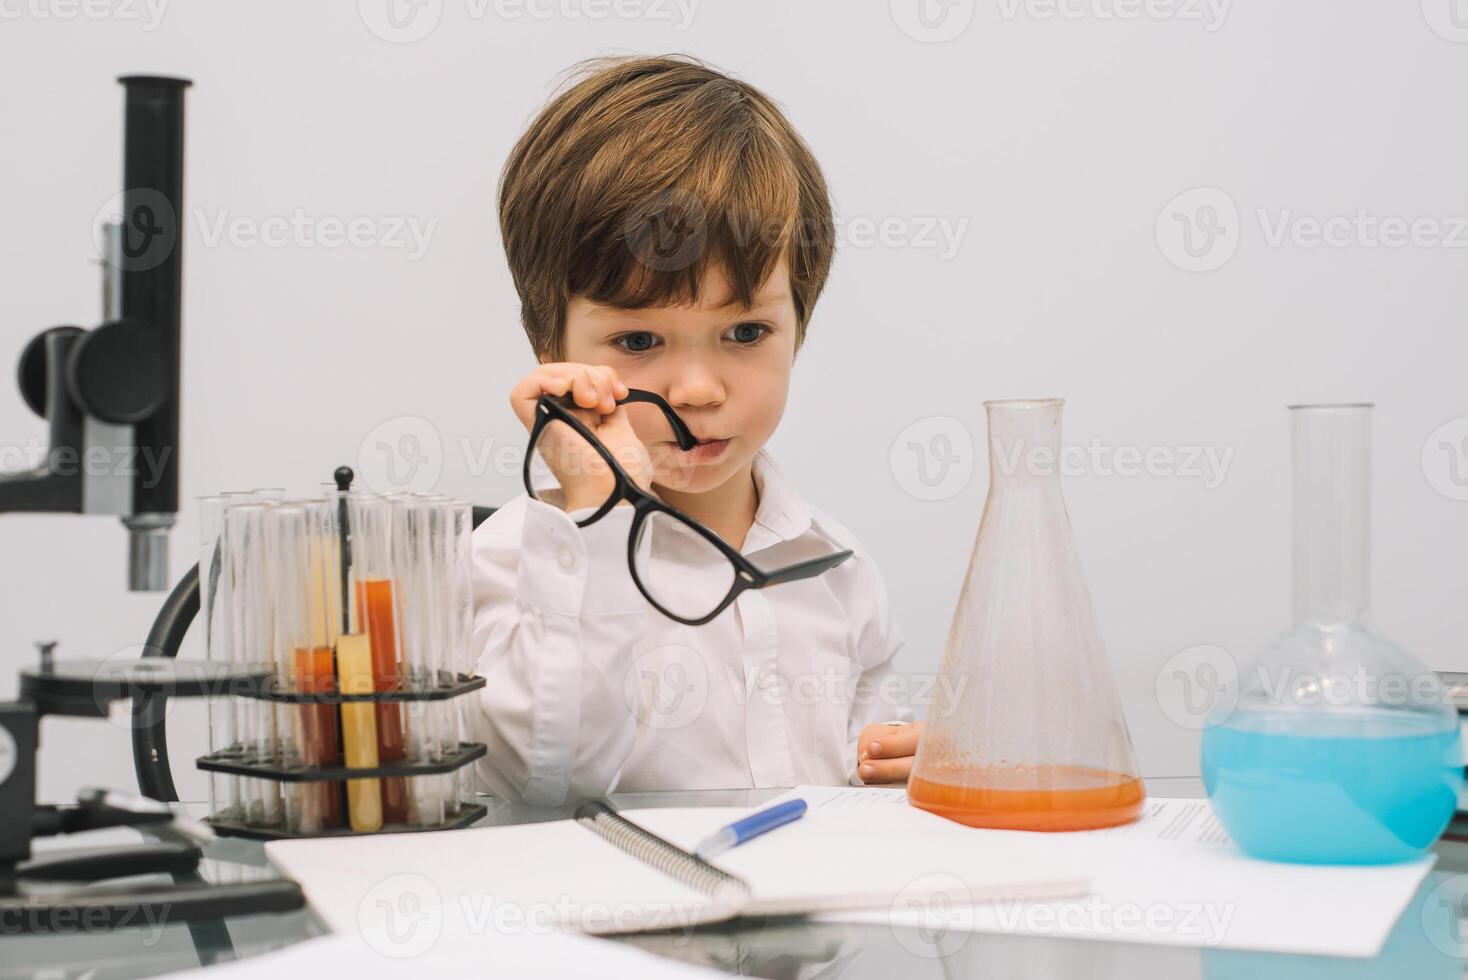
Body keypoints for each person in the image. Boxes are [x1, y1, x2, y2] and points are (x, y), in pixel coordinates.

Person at [468, 54, 921, 806]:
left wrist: (912, 769)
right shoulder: (512, 562)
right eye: (640, 342)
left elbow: (869, 782)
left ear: (797, 326)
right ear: (552, 350)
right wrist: (594, 514)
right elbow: (547, 780)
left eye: (745, 332)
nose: (701, 390)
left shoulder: (838, 569)